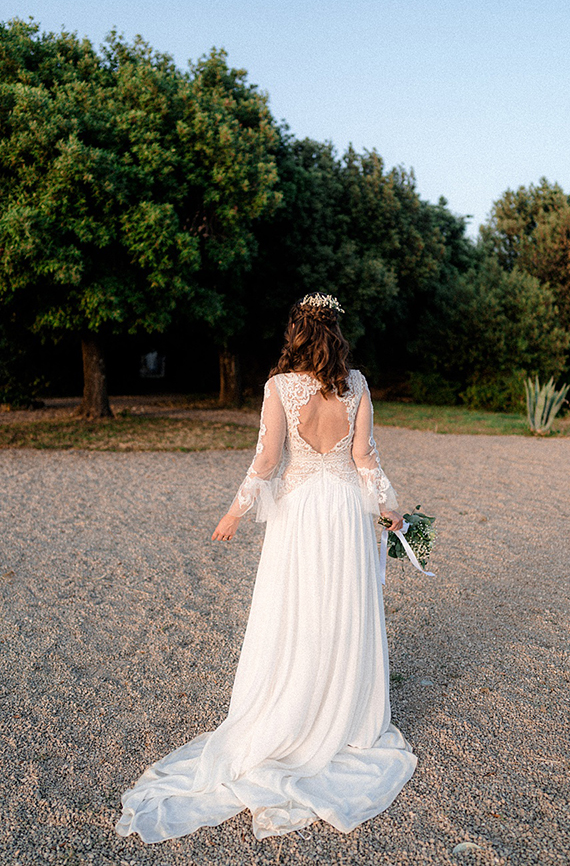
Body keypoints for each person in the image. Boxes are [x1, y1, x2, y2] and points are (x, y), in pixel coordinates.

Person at [115, 292, 417, 843]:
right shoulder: (358, 384)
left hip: (302, 514)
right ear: (337, 337)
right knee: (343, 606)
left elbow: (268, 459)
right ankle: (344, 713)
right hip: (347, 510)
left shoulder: (279, 387)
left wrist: (234, 512)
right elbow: (364, 458)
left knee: (297, 608)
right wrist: (389, 508)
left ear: (296, 335)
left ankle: (295, 703)